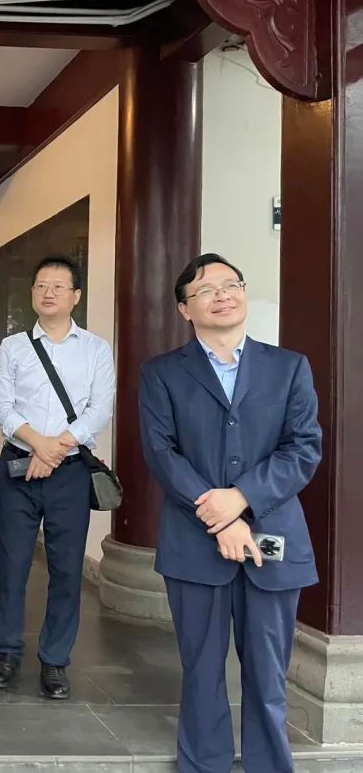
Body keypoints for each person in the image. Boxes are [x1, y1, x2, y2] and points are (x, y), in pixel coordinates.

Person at [139, 253, 321, 773]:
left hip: (272, 539)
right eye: (206, 290)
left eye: (231, 284)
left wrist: (239, 500)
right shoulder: (162, 373)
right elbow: (162, 453)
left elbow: (303, 449)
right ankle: (204, 764)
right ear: (184, 309)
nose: (222, 295)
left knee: (268, 673)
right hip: (194, 541)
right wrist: (220, 517)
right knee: (200, 670)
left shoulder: (288, 367)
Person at [0, 255, 115, 699]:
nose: (49, 292)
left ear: (76, 296)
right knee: (11, 564)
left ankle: (55, 660)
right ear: (32, 293)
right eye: (41, 285)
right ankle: (6, 652)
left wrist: (55, 448)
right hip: (18, 467)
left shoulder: (96, 349)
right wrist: (37, 443)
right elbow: (0, 405)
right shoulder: (13, 346)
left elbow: (100, 409)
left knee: (66, 568)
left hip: (70, 473)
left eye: (59, 286)